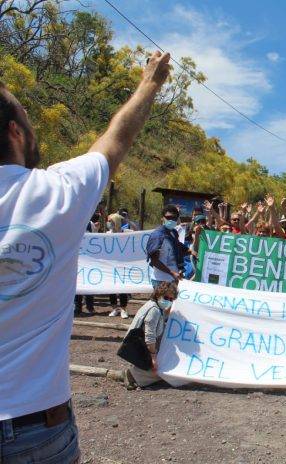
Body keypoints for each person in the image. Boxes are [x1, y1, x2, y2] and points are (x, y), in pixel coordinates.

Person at [0, 50, 170, 462]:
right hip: (36, 426)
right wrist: (150, 83)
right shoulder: (56, 193)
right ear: (16, 133)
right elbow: (115, 141)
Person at [124, 281, 179, 389]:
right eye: (166, 298)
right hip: (140, 346)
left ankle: (136, 373)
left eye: (171, 299)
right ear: (158, 294)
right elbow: (149, 335)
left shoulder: (156, 306)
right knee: (164, 369)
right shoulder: (154, 310)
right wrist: (153, 357)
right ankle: (133, 375)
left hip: (140, 344)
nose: (169, 301)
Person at [146, 204, 188, 289]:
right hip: (161, 280)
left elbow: (178, 246)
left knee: (171, 302)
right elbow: (154, 261)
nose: (171, 220)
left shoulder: (174, 233)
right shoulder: (157, 235)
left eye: (174, 218)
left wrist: (191, 251)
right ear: (162, 218)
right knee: (163, 302)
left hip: (173, 280)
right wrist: (172, 272)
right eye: (168, 217)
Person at [106, 212, 130, 319]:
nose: (108, 223)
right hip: (110, 266)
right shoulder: (107, 234)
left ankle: (123, 309)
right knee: (111, 288)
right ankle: (115, 308)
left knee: (122, 288)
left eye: (110, 221)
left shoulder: (126, 232)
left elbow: (138, 233)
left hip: (123, 265)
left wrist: (128, 222)